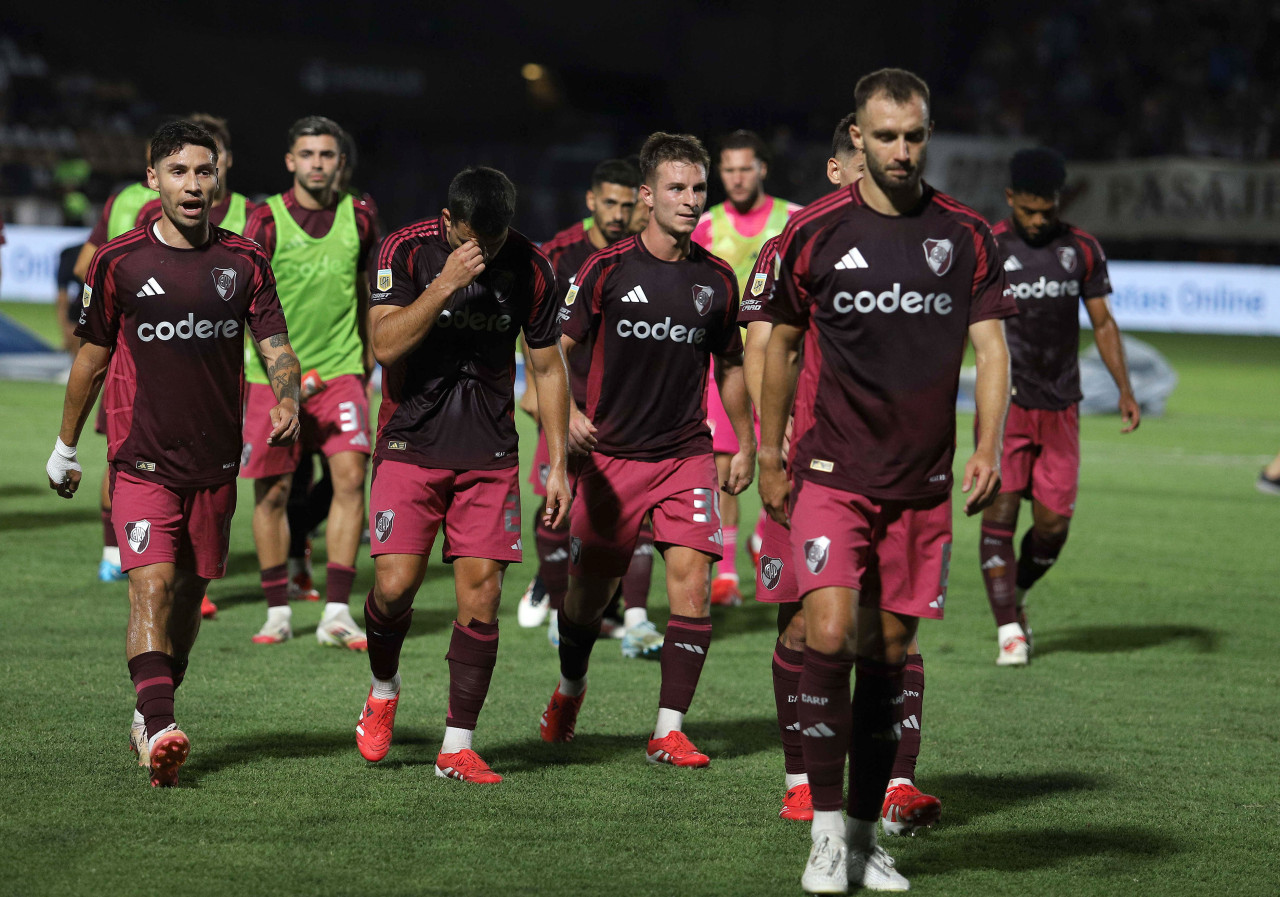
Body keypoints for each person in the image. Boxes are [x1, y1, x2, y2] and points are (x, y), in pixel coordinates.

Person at [758, 69, 1015, 893]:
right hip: (832, 472)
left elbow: (991, 349)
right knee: (828, 634)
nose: (901, 150)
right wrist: (769, 453)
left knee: (890, 653)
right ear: (857, 139)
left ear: (926, 135)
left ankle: (866, 837)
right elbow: (782, 346)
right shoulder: (817, 230)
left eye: (914, 136)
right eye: (886, 136)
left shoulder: (968, 234)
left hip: (923, 480)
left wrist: (988, 445)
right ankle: (826, 833)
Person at [45, 120, 300, 787]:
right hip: (141, 457)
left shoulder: (244, 260)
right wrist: (65, 446)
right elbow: (91, 360)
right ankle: (161, 725)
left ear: (220, 179)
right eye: (180, 171)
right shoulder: (118, 261)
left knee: (187, 596)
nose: (194, 185)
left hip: (216, 462)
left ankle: (151, 710)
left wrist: (287, 397)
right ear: (152, 178)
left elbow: (276, 346)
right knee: (151, 586)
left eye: (204, 171)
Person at [539, 132, 755, 767]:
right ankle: (570, 689)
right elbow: (554, 352)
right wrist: (571, 415)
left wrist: (744, 441)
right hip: (611, 460)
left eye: (697, 190)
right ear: (646, 196)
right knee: (587, 601)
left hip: (686, 453)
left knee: (691, 584)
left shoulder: (716, 279)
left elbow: (732, 365)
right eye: (676, 189)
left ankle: (667, 729)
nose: (690, 201)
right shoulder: (606, 269)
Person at [354, 166, 571, 784]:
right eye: (476, 238)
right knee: (395, 588)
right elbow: (386, 347)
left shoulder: (531, 266)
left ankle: (457, 744)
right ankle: (383, 688)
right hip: (409, 445)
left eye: (498, 239)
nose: (488, 251)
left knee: (482, 597)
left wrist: (559, 465)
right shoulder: (406, 250)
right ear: (449, 223)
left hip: (490, 454)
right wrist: (446, 284)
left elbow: (549, 369)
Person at [981, 148, 1140, 666]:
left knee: (1052, 528)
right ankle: (1009, 629)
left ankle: (1017, 594)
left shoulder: (1082, 249)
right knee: (1000, 514)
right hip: (1007, 405)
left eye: (1046, 210)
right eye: (1028, 210)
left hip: (1062, 407)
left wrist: (1125, 389)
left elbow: (1104, 323)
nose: (1037, 220)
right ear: (1011, 200)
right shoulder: (989, 247)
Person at [241, 115, 378, 649]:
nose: (317, 163)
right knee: (272, 493)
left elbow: (370, 292)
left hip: (342, 369)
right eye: (308, 154)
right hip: (271, 380)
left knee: (349, 479)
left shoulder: (360, 217)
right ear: (290, 161)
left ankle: (337, 612)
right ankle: (278, 611)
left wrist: (367, 362)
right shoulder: (266, 221)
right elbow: (244, 301)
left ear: (339, 162)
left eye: (327, 155)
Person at [519, 158, 662, 659]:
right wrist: (541, 395)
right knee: (558, 501)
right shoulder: (560, 252)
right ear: (591, 200)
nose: (619, 214)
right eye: (610, 202)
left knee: (632, 510)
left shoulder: (651, 252)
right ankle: (556, 595)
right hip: (567, 401)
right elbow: (532, 322)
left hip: (626, 408)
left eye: (628, 204)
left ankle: (632, 617)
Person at [692, 130, 800, 607]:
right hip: (727, 364)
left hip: (784, 363)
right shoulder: (706, 225)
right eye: (728, 169)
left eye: (745, 168)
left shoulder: (794, 220)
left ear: (762, 169)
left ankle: (764, 533)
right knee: (726, 466)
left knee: (789, 453)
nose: (736, 178)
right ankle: (728, 575)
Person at [134, 114, 257, 236]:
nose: (207, 160)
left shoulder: (252, 214)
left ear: (229, 159)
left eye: (216, 152)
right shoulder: (152, 211)